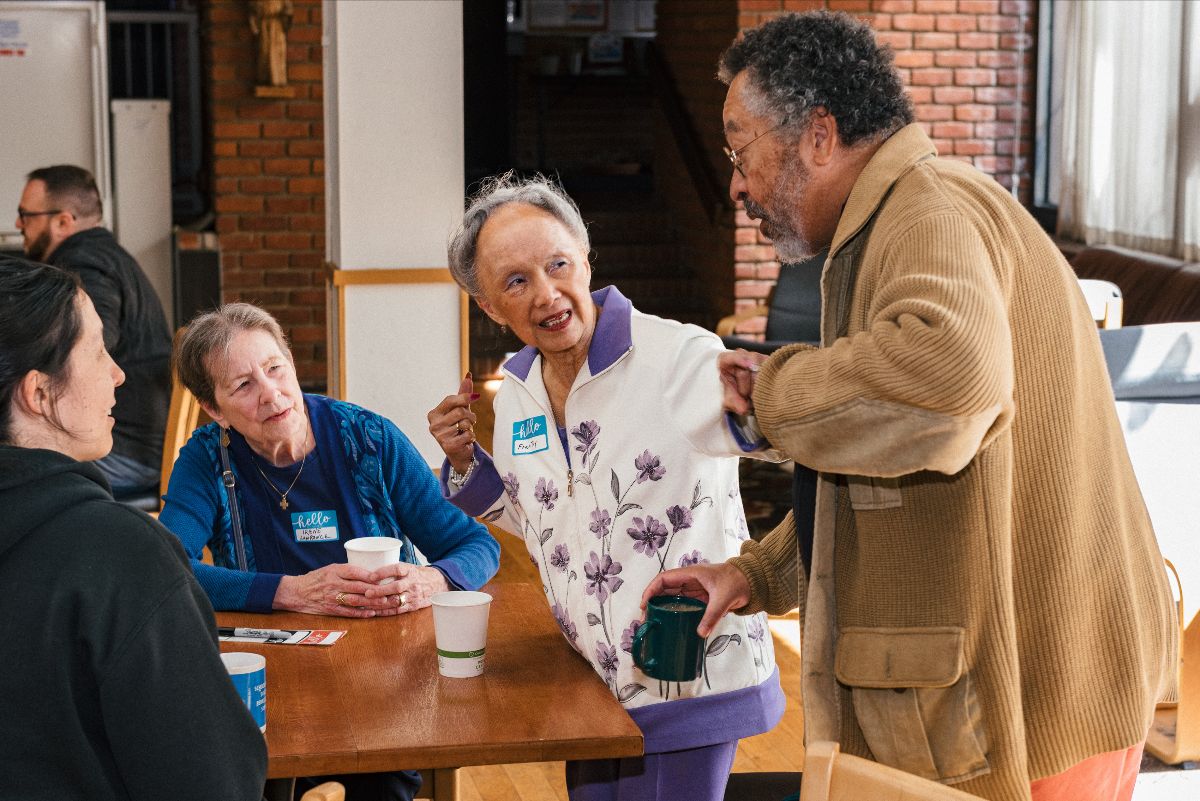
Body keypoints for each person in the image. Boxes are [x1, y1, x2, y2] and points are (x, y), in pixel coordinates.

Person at [643, 11, 1177, 801]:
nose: (736, 183)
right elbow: (885, 478)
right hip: (1033, 691)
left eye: (740, 148)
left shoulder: (927, 212)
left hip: (1037, 711)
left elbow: (950, 383)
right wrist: (757, 572)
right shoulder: (899, 217)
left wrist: (779, 390)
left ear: (818, 135)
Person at [427, 173, 785, 801]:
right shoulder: (517, 392)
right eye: (516, 281)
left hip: (684, 673)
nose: (546, 294)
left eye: (558, 264)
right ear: (487, 305)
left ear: (586, 258)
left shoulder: (678, 356)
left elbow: (749, 419)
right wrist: (464, 462)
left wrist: (766, 407)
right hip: (587, 676)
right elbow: (542, 515)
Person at [159, 301, 500, 801]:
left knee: (382, 777)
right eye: (243, 386)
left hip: (384, 676)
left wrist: (434, 579)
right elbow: (167, 567)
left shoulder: (368, 438)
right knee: (247, 775)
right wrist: (289, 591)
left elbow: (475, 543)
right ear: (215, 410)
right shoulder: (208, 458)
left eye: (275, 369)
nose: (271, 393)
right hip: (270, 678)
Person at [0, 254, 267, 800]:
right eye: (98, 351)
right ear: (39, 394)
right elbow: (215, 783)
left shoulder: (362, 436)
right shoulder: (120, 555)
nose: (119, 372)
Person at [15, 165, 172, 501]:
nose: (18, 225)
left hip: (126, 451)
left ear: (63, 221)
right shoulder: (108, 256)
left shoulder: (83, 265)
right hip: (143, 444)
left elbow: (76, 354)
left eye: (25, 215)